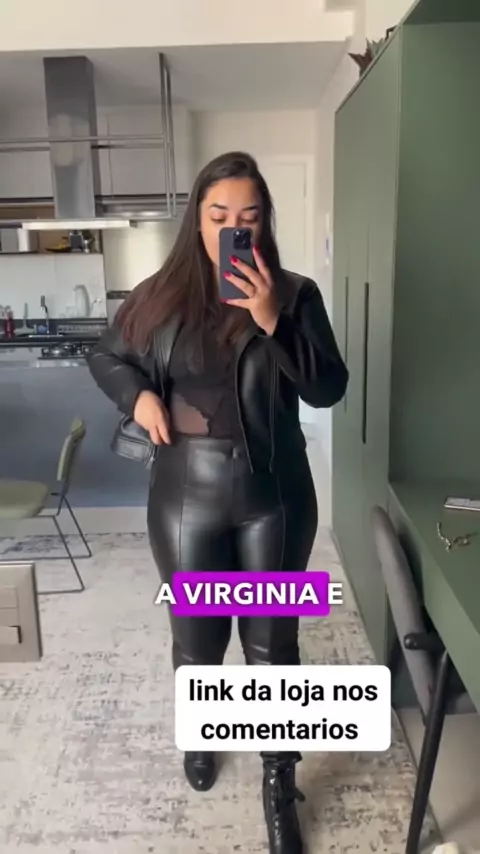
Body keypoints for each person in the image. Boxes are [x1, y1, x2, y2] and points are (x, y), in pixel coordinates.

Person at [87, 151, 348, 854]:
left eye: (249, 217)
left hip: (275, 495)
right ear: (197, 221)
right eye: (219, 215)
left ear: (264, 224)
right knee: (198, 641)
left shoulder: (295, 294)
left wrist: (271, 319)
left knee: (272, 647)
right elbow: (105, 355)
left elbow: (328, 388)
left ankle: (278, 784)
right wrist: (139, 397)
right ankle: (202, 731)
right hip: (186, 498)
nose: (235, 227)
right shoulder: (159, 295)